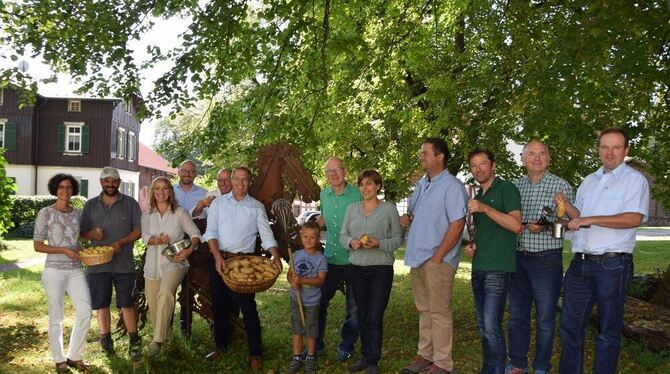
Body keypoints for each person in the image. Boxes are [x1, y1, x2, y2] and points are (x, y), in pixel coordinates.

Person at [557, 128, 649, 374]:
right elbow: (581, 218)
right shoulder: (589, 180)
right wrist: (567, 208)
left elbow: (633, 218)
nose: (610, 152)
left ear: (626, 150)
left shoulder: (634, 180)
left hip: (612, 264)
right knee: (569, 326)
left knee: (608, 331)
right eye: (604, 147)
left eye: (616, 147)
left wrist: (589, 220)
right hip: (580, 264)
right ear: (598, 149)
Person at [203, 166, 283, 370]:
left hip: (244, 263)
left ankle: (255, 352)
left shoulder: (256, 207)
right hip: (220, 260)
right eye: (237, 179)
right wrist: (217, 257)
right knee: (219, 305)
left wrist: (275, 254)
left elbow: (266, 235)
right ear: (231, 180)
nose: (240, 183)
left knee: (248, 307)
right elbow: (210, 232)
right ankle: (221, 345)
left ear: (249, 182)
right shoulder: (218, 204)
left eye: (245, 179)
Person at [506, 141, 575, 374]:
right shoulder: (514, 187)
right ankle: (517, 363)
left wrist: (545, 228)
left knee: (545, 318)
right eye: (531, 154)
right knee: (517, 315)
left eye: (542, 153)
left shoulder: (561, 186)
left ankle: (541, 366)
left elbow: (571, 224)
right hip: (517, 258)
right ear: (522, 159)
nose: (537, 158)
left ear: (549, 158)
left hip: (547, 260)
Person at [400, 138, 468, 374]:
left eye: (425, 153)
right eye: (421, 153)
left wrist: (438, 256)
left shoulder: (452, 186)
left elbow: (458, 224)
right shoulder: (421, 184)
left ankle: (443, 362)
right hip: (418, 257)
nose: (421, 157)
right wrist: (407, 220)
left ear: (440, 157)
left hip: (437, 260)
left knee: (439, 311)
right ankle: (425, 354)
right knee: (424, 309)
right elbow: (420, 216)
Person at [464, 148, 522, 374]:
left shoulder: (506, 188)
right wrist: (474, 244)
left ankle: (496, 369)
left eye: (483, 164)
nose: (478, 169)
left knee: (490, 325)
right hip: (479, 266)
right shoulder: (478, 197)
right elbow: (484, 231)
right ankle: (489, 367)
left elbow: (516, 225)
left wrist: (485, 208)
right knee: (483, 326)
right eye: (474, 166)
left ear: (493, 166)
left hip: (498, 268)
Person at [340, 170, 403, 374]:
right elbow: (343, 235)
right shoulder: (352, 209)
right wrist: (351, 242)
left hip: (380, 270)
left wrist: (378, 243)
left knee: (375, 315)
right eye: (362, 184)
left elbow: (397, 239)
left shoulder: (389, 209)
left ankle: (373, 360)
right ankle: (364, 356)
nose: (365, 188)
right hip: (357, 269)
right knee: (362, 315)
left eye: (369, 184)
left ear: (378, 186)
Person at [80, 166, 142, 359]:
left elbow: (139, 231)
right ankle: (106, 340)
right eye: (106, 180)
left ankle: (134, 341)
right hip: (97, 265)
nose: (110, 184)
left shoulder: (130, 203)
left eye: (114, 181)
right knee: (101, 303)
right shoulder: (90, 205)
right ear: (101, 182)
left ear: (119, 183)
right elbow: (82, 234)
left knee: (127, 303)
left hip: (123, 264)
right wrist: (92, 234)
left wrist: (122, 242)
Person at [33, 174, 92, 373]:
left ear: (73, 190)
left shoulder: (78, 213)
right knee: (56, 315)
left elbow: (78, 236)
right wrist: (64, 250)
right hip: (54, 271)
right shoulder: (45, 213)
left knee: (85, 312)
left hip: (76, 269)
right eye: (61, 187)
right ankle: (59, 359)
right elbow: (38, 246)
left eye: (68, 187)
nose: (65, 190)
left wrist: (91, 236)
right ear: (54, 189)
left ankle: (74, 355)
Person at [141, 176, 202, 356]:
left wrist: (189, 250)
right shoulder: (147, 215)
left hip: (176, 263)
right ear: (153, 192)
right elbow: (145, 238)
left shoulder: (179, 213)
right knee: (154, 304)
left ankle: (157, 341)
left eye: (165, 188)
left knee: (165, 293)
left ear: (170, 192)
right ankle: (168, 342)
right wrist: (158, 240)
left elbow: (195, 234)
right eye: (158, 188)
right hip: (152, 265)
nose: (161, 192)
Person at [315, 157, 362, 361]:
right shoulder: (324, 194)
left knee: (354, 308)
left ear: (345, 171)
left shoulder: (358, 194)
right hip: (330, 257)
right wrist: (310, 230)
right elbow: (324, 218)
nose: (333, 174)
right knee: (319, 302)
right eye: (329, 171)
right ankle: (316, 344)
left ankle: (347, 345)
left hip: (355, 259)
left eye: (337, 170)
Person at [286, 221, 328, 374]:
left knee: (311, 329)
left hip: (312, 301)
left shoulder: (321, 259)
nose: (308, 240)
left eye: (312, 237)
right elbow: (290, 275)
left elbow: (320, 280)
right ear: (301, 237)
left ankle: (310, 357)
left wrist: (303, 281)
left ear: (318, 239)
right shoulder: (296, 255)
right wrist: (293, 283)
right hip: (296, 299)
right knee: (297, 328)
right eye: (305, 237)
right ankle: (296, 357)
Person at [173, 159, 207, 335]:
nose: (187, 174)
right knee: (169, 286)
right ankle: (166, 329)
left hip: (194, 245)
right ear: (179, 172)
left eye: (191, 171)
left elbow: (206, 221)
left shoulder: (204, 194)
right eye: (184, 171)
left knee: (189, 287)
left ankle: (186, 328)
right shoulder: (168, 191)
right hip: (171, 242)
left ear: (195, 174)